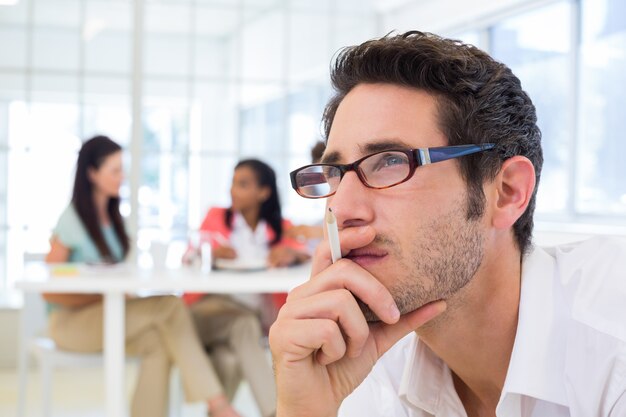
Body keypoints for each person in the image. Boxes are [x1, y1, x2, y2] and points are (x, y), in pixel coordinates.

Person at [269, 31, 626, 417]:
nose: (341, 208)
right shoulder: (362, 365)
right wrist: (308, 408)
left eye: (390, 161)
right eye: (335, 173)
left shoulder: (611, 338)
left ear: (506, 192)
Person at [44, 135, 243, 417]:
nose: (121, 177)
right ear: (91, 173)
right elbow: (48, 289)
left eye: (121, 169)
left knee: (159, 342)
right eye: (114, 171)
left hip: (107, 315)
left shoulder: (115, 221)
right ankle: (219, 406)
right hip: (70, 324)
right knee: (170, 305)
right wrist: (100, 293)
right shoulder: (72, 219)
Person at [183, 158, 309, 417]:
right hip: (209, 311)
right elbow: (188, 257)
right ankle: (275, 413)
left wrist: (290, 254)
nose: (232, 189)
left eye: (242, 184)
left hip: (250, 322)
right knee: (244, 324)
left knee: (227, 361)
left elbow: (303, 253)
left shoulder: (280, 228)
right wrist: (212, 253)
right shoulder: (216, 216)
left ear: (263, 192)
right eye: (233, 182)